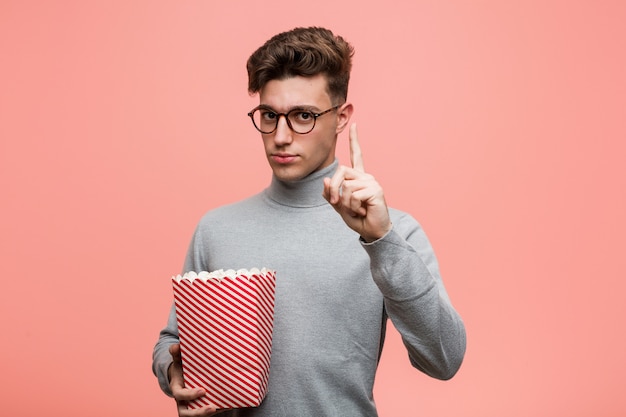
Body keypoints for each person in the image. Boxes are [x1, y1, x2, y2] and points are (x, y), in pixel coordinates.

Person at [153, 26, 466, 417]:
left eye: (303, 115)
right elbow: (172, 339)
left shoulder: (393, 232)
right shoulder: (216, 229)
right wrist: (174, 372)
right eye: (269, 115)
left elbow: (444, 359)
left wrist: (382, 241)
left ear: (341, 117)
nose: (280, 136)